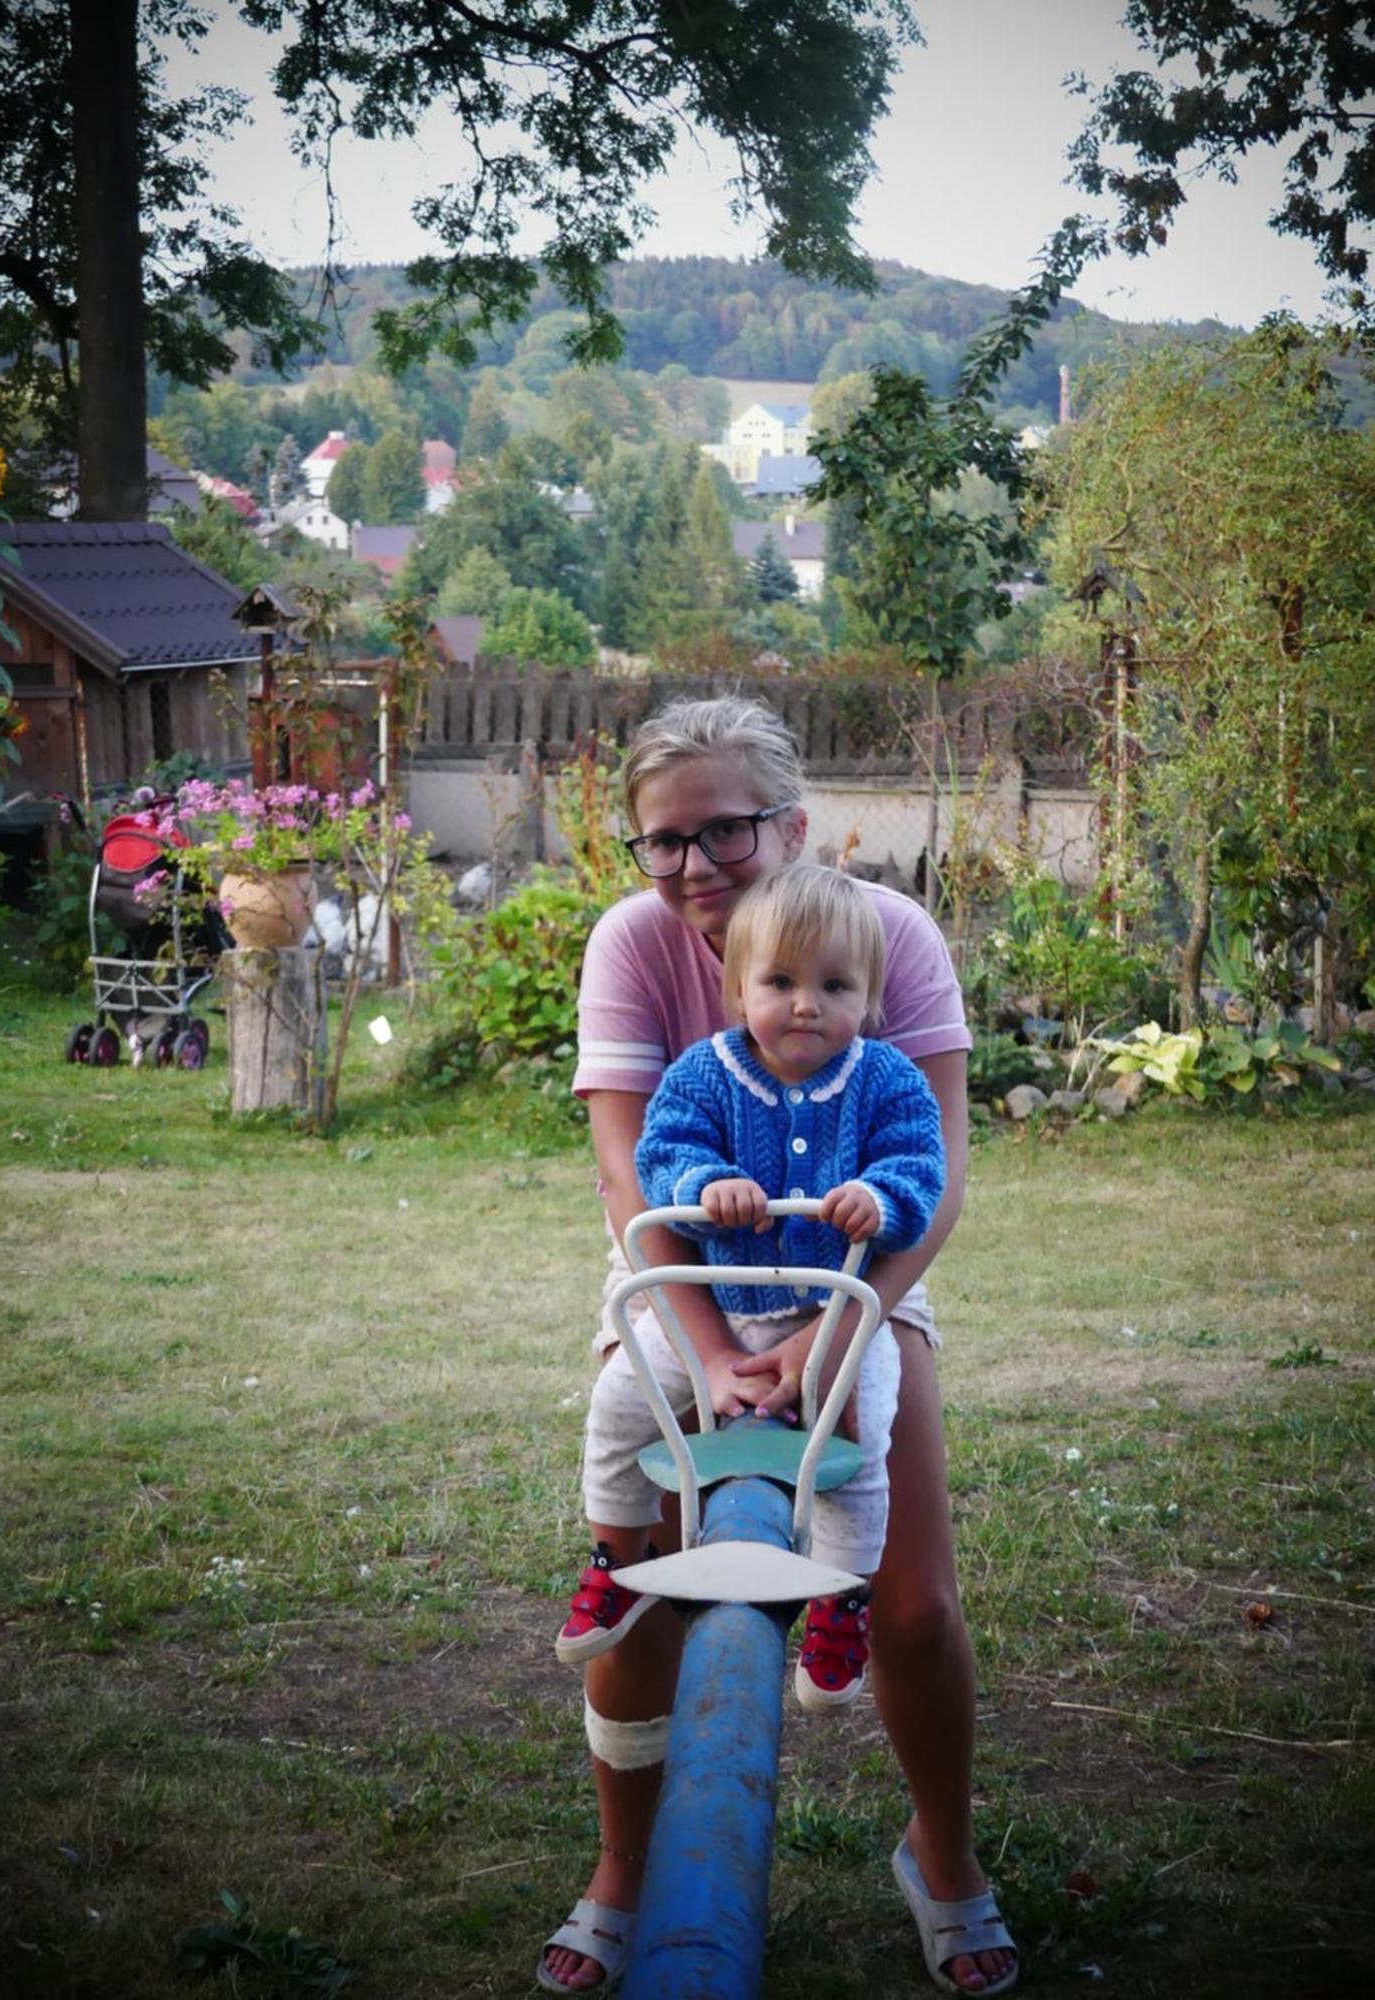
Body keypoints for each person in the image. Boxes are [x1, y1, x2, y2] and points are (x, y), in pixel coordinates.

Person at [538, 697, 1018, 1997]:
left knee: (912, 1592)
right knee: (644, 1579)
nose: (693, 867)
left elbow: (940, 1168)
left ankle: (944, 1852)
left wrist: (824, 1334)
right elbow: (626, 1175)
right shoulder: (635, 944)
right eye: (662, 842)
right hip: (680, 1274)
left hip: (857, 1280)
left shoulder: (886, 936)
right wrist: (707, 1355)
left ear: (793, 823)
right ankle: (627, 1871)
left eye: (724, 832)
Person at [556, 865, 947, 1722]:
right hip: (719, 1292)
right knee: (626, 1395)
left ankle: (841, 1599)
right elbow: (663, 1151)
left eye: (834, 985)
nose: (806, 1004)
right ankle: (613, 1561)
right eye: (780, 982)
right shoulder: (705, 1073)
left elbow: (921, 1165)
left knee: (859, 1427)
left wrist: (879, 1199)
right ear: (738, 990)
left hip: (831, 1304)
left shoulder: (886, 1081)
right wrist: (707, 1183)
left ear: (870, 999)